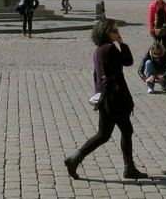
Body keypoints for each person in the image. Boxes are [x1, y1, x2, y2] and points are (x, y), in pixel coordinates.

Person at [64, 18, 150, 181]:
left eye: (118, 31)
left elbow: (96, 75)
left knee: (104, 135)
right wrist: (122, 43)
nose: (118, 34)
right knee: (123, 131)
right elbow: (128, 61)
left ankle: (74, 159)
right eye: (115, 31)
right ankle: (128, 168)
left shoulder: (98, 50)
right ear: (106, 33)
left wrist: (99, 94)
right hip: (115, 97)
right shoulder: (110, 48)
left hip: (105, 98)